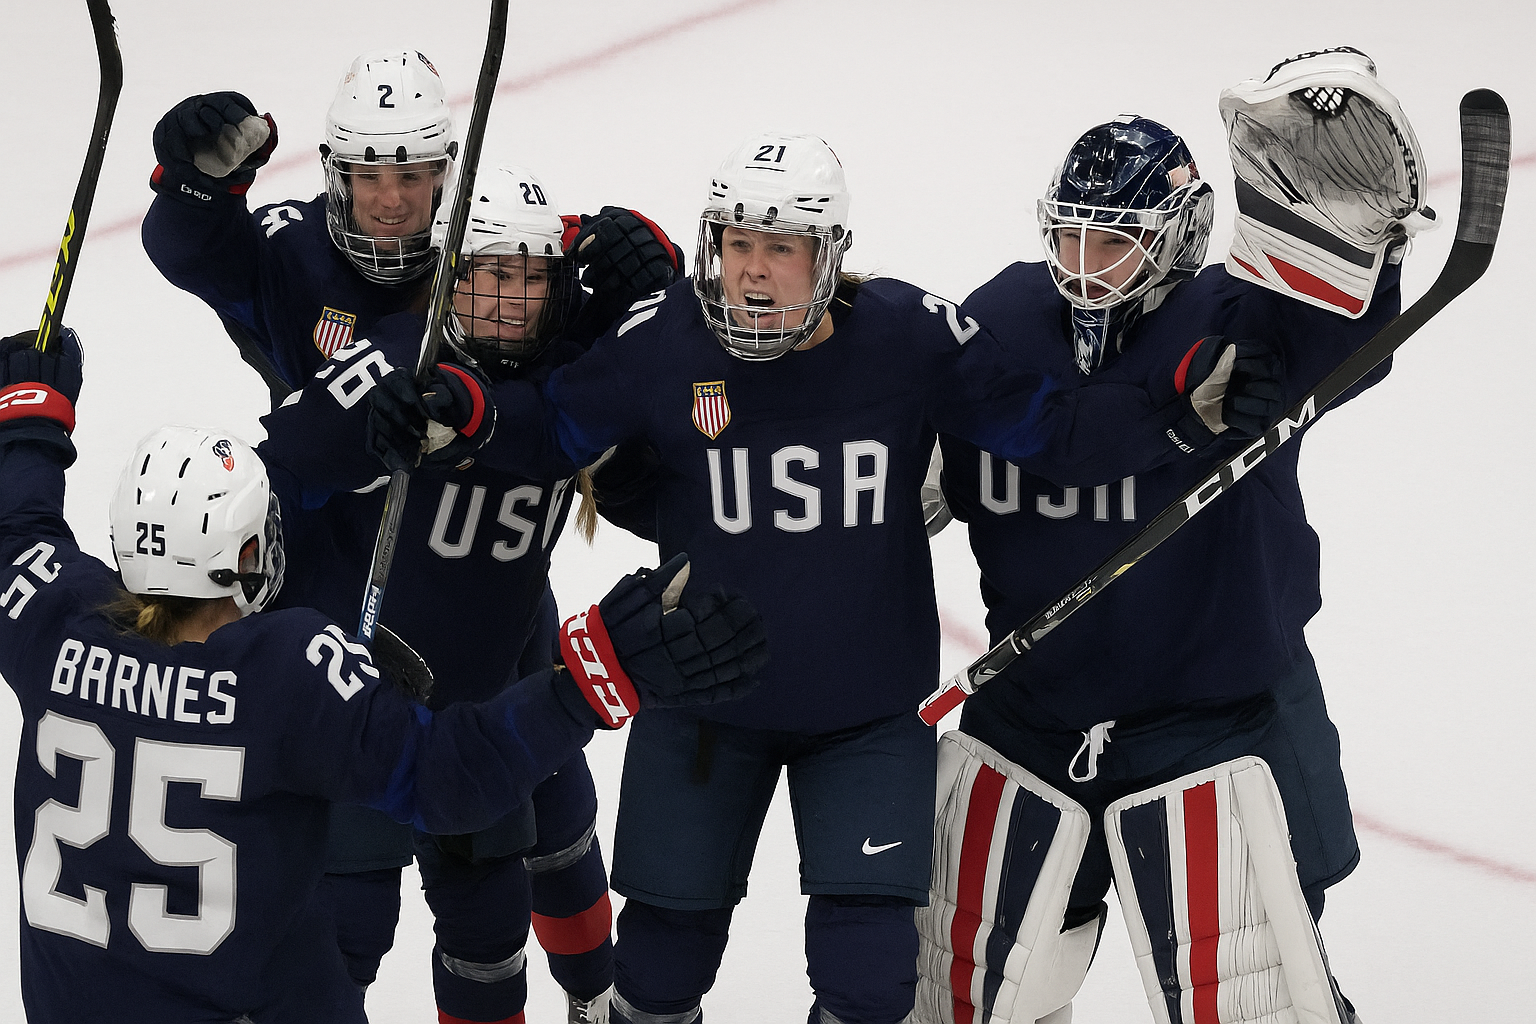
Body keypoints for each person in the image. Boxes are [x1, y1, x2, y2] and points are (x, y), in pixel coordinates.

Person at [366, 132, 1284, 1024]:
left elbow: (1053, 433)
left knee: (871, 978)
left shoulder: (909, 338)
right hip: (698, 708)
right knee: (655, 971)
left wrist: (1173, 419)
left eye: (780, 248)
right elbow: (548, 432)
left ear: (830, 253)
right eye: (735, 245)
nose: (752, 270)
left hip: (866, 717)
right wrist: (465, 411)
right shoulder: (661, 341)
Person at [0, 328, 766, 1023]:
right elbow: (450, 779)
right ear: (243, 554)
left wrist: (29, 421)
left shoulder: (51, 624)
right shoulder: (282, 672)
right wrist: (594, 670)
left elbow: (18, 532)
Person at [141, 50, 683, 1020]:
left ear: (450, 175)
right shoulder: (294, 251)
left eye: (413, 176)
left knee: (549, 832)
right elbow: (196, 251)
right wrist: (191, 182)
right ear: (333, 175)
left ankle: (599, 997)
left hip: (498, 586)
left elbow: (615, 321)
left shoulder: (503, 249)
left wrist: (651, 275)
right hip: (345, 580)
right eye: (369, 176)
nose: (391, 203)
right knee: (351, 882)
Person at [914, 49, 1429, 1024]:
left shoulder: (1245, 316)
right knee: (955, 990)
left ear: (1182, 234)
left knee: (1255, 999)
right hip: (1033, 714)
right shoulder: (1006, 315)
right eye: (1069, 238)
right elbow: (922, 477)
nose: (1081, 266)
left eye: (1112, 242)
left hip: (1214, 723)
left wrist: (1368, 249)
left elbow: (1353, 338)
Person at [258, 162, 679, 1024]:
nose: (506, 299)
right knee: (348, 921)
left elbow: (690, 340)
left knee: (505, 911)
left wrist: (661, 263)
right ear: (448, 277)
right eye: (486, 274)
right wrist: (361, 448)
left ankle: (598, 1003)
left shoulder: (578, 362)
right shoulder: (388, 366)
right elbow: (275, 483)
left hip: (497, 681)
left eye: (527, 277)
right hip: (366, 690)